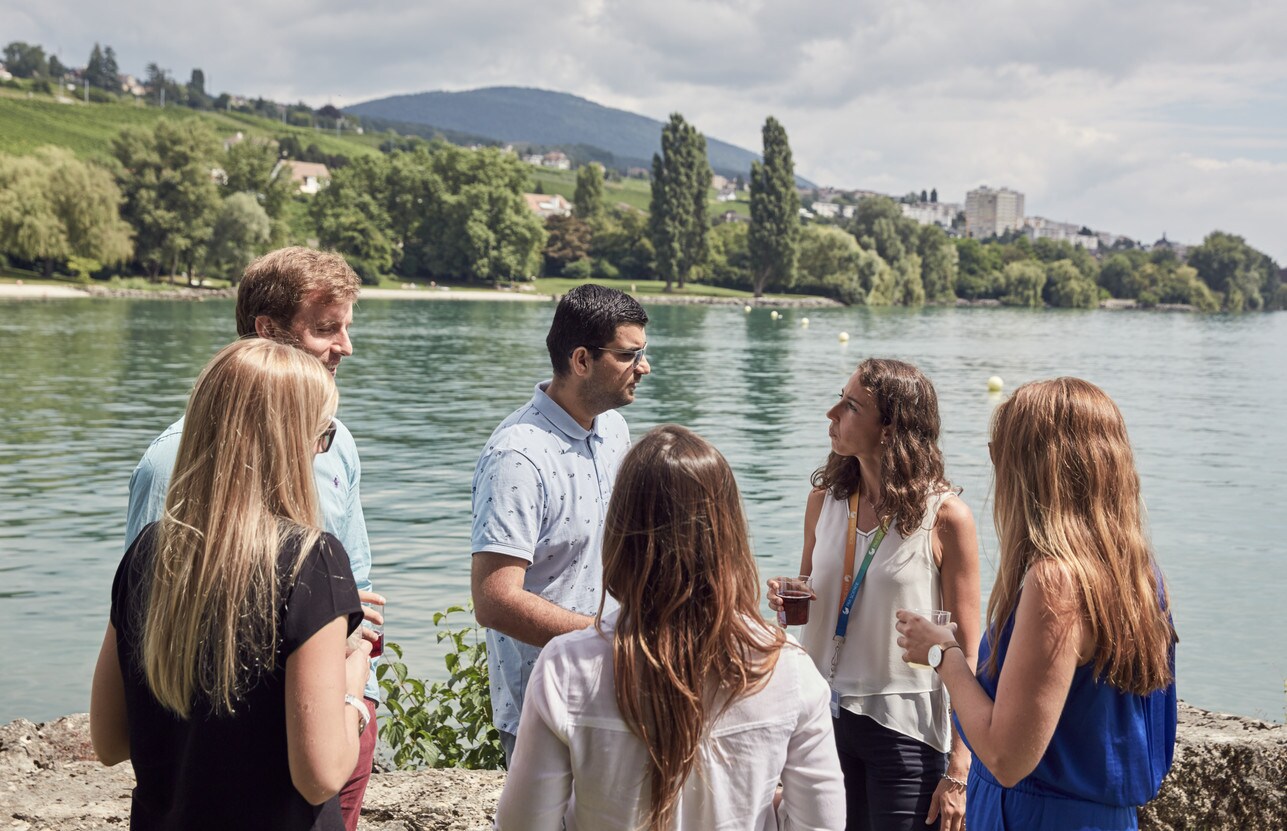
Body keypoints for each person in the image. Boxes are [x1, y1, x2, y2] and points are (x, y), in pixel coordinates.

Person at [122, 247, 382, 830]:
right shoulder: (168, 465)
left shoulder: (339, 446)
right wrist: (347, 683)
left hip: (321, 729)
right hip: (262, 756)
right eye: (325, 328)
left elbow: (113, 728)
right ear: (267, 330)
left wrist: (347, 629)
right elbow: (165, 631)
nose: (345, 346)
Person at [495, 425, 846, 830]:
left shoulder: (565, 668)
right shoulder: (786, 669)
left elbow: (523, 825)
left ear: (621, 535)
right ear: (729, 534)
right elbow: (821, 824)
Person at [897, 378, 1178, 831]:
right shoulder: (1140, 576)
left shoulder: (1056, 583)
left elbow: (1007, 757)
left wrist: (942, 653)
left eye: (1000, 452)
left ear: (1032, 469)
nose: (994, 466)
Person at [770, 358, 980, 831]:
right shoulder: (823, 503)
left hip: (905, 730)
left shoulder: (946, 517)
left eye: (850, 406)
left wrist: (961, 769)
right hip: (820, 721)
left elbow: (968, 647)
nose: (831, 413)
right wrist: (789, 597)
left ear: (889, 429)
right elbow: (808, 593)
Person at [471, 283, 650, 762]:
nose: (644, 368)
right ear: (582, 360)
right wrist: (609, 639)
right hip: (546, 703)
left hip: (614, 689)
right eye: (629, 356)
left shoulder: (614, 429)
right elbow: (493, 600)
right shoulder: (518, 456)